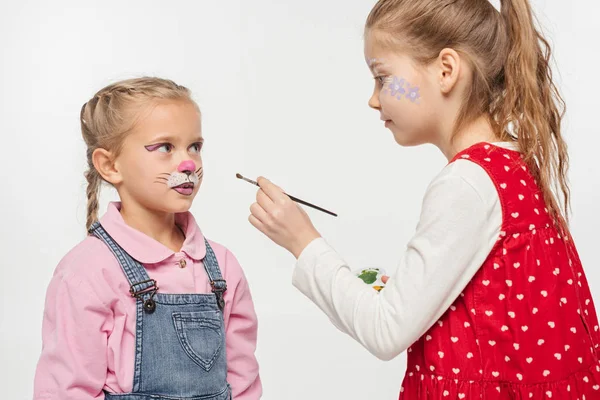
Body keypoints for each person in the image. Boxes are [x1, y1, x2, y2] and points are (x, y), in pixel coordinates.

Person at [248, 0, 600, 398]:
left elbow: (385, 330)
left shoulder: (466, 184)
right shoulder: (513, 165)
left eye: (383, 78)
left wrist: (302, 241)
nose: (374, 98)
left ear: (446, 71)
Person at [34, 77, 261, 400]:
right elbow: (66, 391)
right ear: (110, 165)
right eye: (165, 147)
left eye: (194, 146)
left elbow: (243, 382)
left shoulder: (223, 267)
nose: (188, 164)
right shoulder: (88, 272)